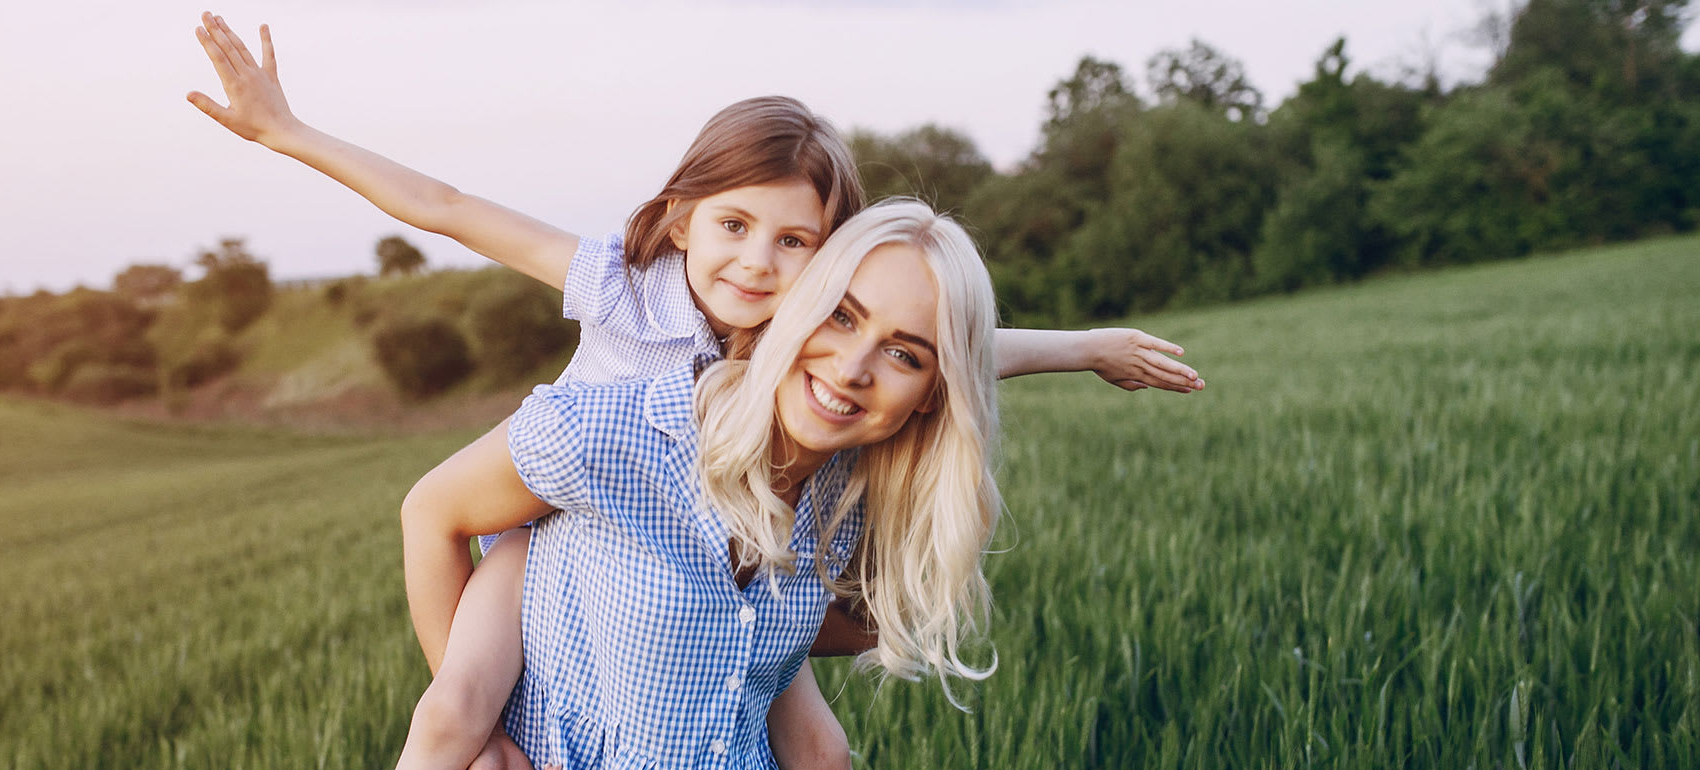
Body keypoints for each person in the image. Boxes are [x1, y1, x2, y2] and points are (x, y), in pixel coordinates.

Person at [185, 13, 1203, 768]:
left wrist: (1085, 347)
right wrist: (287, 132)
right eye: (732, 226)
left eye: (793, 242)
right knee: (456, 718)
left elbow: (949, 346)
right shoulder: (627, 290)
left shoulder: (804, 343)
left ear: (824, 261)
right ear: (678, 217)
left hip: (738, 543)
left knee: (820, 739)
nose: (757, 263)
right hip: (545, 529)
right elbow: (447, 208)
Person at [482, 198, 1005, 768]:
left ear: (933, 393)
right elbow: (433, 513)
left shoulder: (846, 502)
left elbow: (825, 638)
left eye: (903, 354)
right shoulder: (619, 433)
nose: (853, 368)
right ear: (795, 306)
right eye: (841, 316)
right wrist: (477, 726)